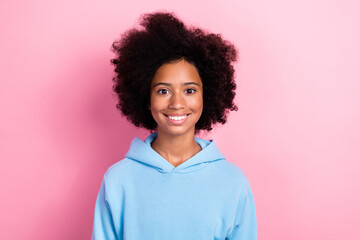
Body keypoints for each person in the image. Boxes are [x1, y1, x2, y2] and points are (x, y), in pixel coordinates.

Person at [91, 11, 257, 240]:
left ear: (206, 96)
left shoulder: (233, 182)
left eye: (189, 90)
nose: (177, 103)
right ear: (146, 99)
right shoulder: (118, 180)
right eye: (163, 91)